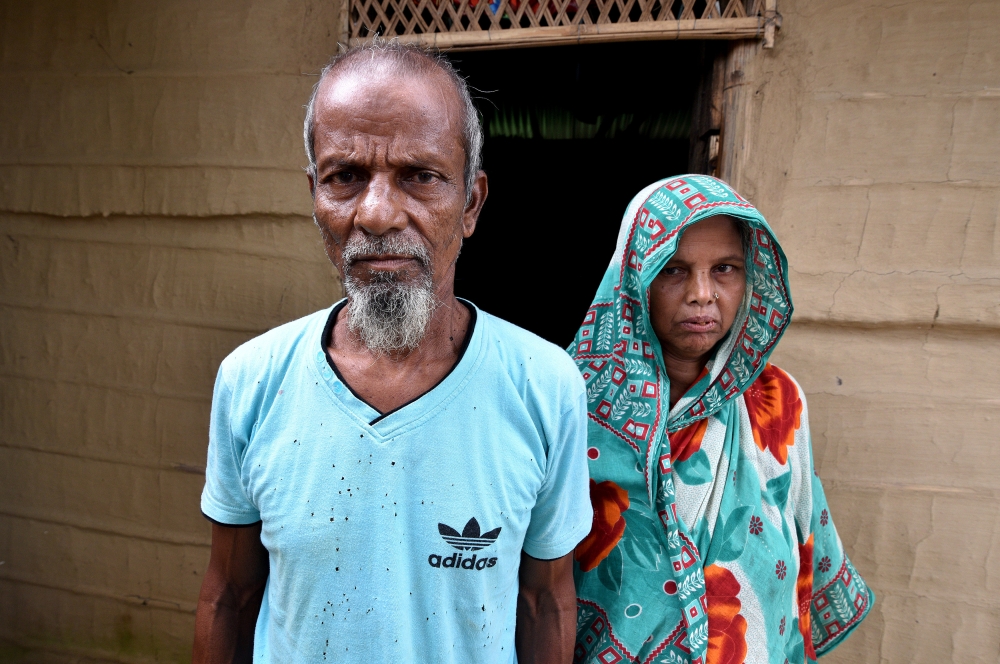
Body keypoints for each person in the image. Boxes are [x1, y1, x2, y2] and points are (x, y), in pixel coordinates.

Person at [192, 41, 592, 664]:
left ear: (471, 204)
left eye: (420, 176)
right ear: (315, 197)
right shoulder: (252, 381)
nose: (376, 214)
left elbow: (545, 602)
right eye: (345, 177)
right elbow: (230, 596)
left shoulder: (543, 386)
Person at [569, 176, 873, 664]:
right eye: (673, 270)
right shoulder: (571, 399)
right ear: (634, 276)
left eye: (725, 269)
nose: (702, 294)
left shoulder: (778, 400)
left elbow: (801, 538)